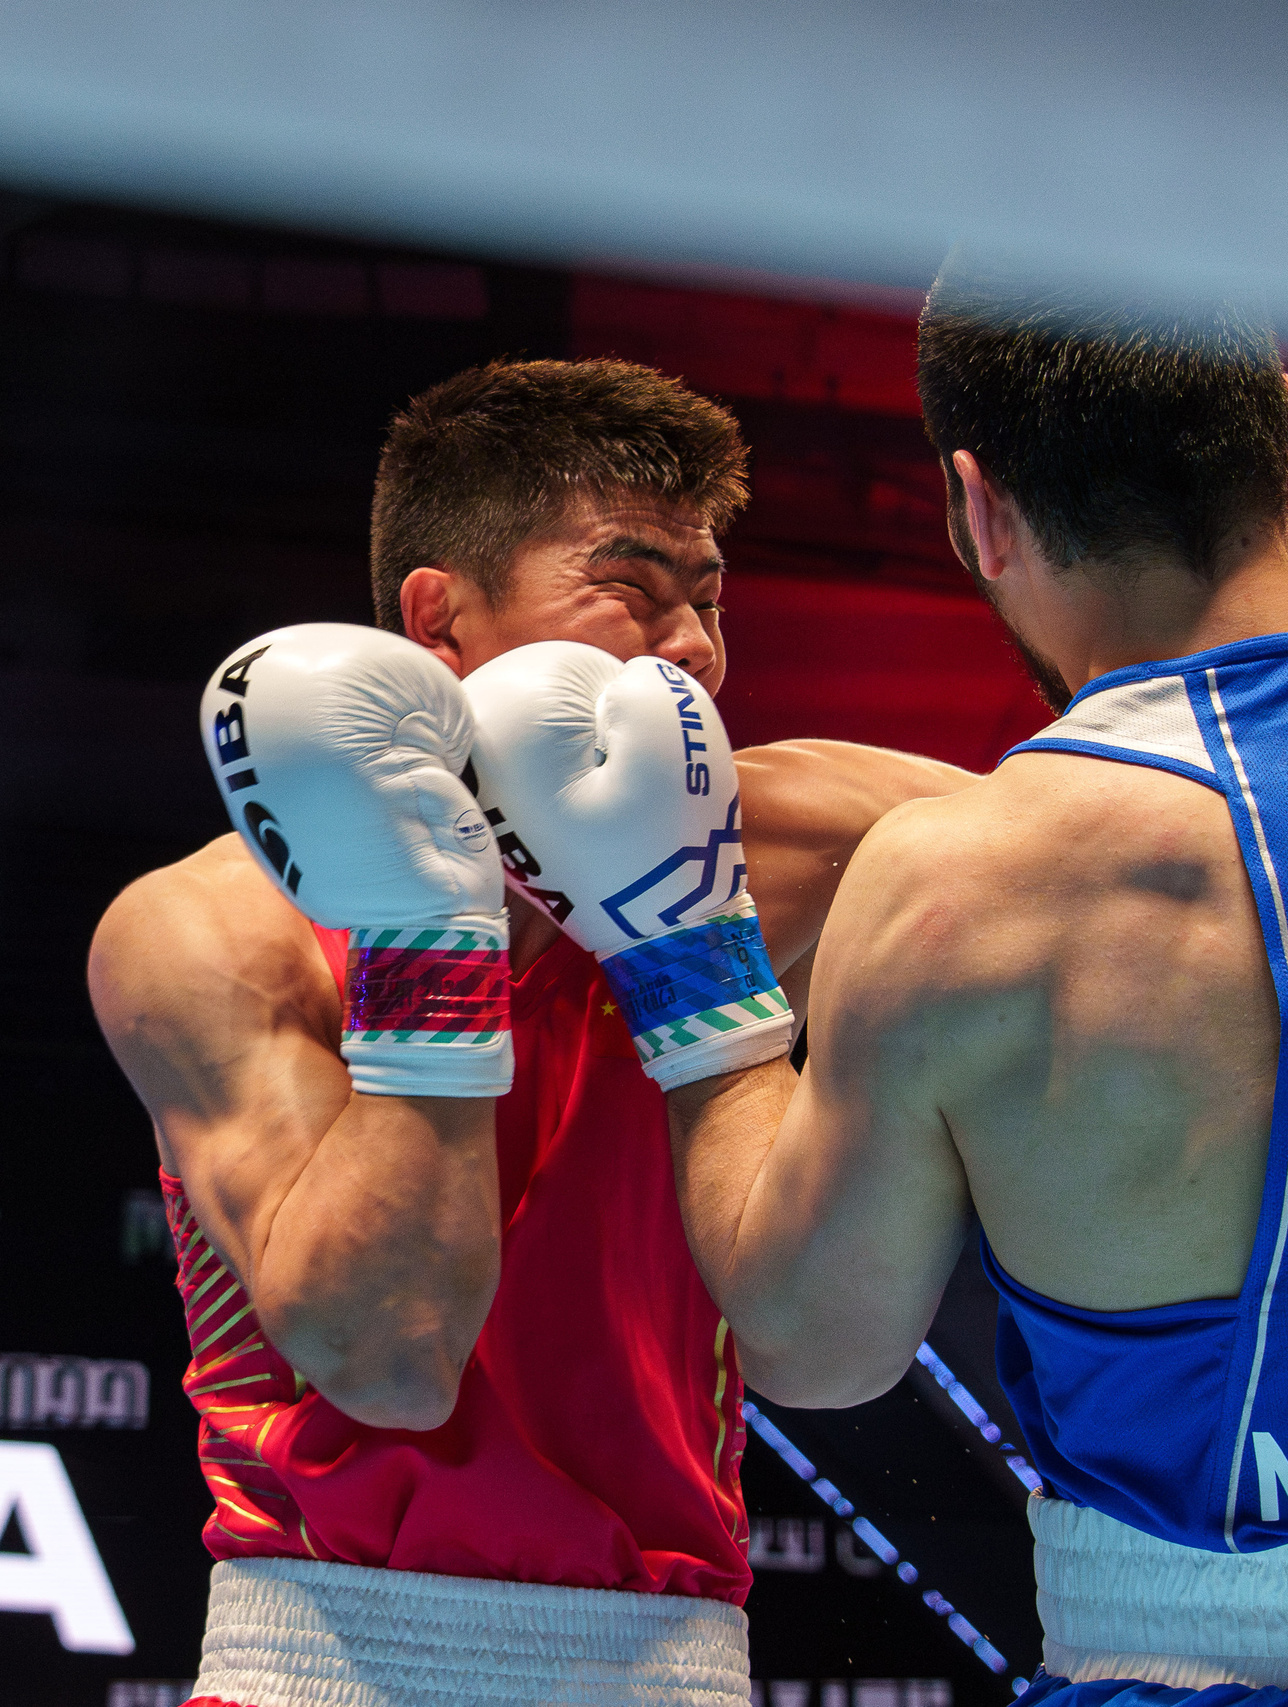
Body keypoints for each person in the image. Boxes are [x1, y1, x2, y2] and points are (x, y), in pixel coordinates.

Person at [480, 279, 1288, 1706]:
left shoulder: (964, 883)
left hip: (1193, 1672)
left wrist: (680, 943)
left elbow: (814, 1348)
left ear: (980, 510)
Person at [86, 358, 971, 1707]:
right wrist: (426, 936)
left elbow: (1112, 852)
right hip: (322, 1667)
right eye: (631, 586)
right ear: (440, 616)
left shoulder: (789, 837)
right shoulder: (214, 934)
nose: (692, 650)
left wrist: (700, 937)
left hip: (673, 1662)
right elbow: (390, 1359)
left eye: (711, 597)